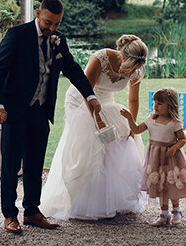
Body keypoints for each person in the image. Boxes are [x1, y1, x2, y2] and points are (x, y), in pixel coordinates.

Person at [0, 0, 101, 234]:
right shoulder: (17, 35)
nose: (52, 28)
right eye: (48, 22)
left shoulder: (60, 41)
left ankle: (31, 211)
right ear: (38, 13)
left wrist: (90, 96)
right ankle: (9, 215)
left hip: (41, 111)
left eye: (57, 24)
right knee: (10, 165)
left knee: (35, 164)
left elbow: (72, 68)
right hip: (15, 111)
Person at [40, 35, 149, 220]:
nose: (137, 70)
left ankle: (108, 198)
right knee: (88, 142)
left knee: (117, 138)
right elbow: (86, 90)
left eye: (139, 66)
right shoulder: (101, 57)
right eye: (135, 65)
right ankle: (77, 200)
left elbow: (133, 99)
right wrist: (97, 120)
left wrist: (132, 124)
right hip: (82, 99)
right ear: (124, 57)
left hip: (106, 102)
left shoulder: (136, 69)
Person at [121, 87, 186, 226]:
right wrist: (130, 119)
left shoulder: (174, 123)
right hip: (155, 158)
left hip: (170, 159)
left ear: (170, 105)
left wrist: (174, 147)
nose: (156, 105)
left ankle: (176, 211)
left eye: (160, 103)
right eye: (155, 102)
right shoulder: (150, 120)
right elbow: (136, 130)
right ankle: (164, 213)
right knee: (160, 185)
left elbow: (182, 139)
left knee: (171, 184)